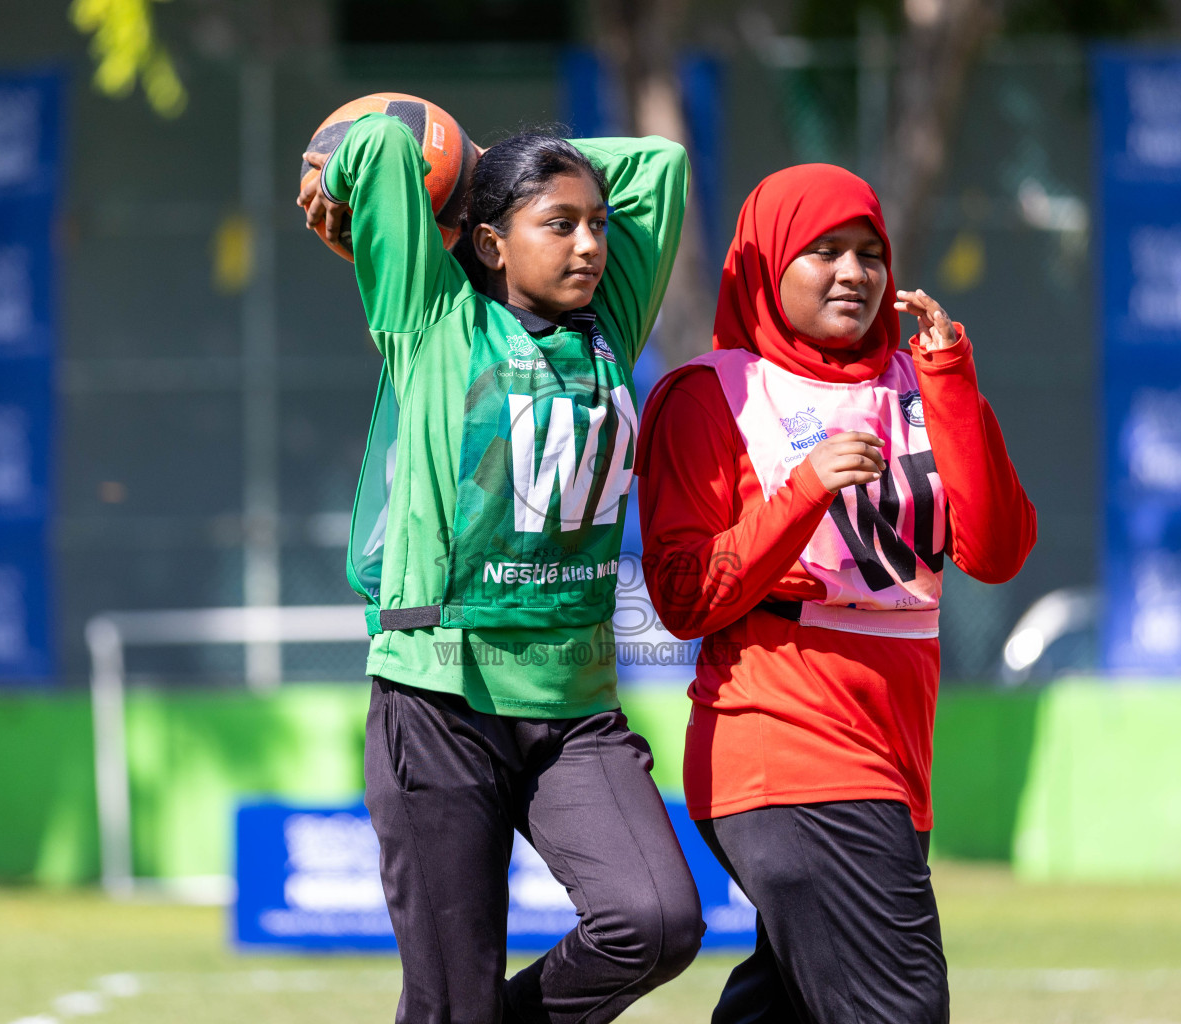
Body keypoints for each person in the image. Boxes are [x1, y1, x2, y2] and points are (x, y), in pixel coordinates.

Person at [299, 113, 702, 1024]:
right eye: (557, 224)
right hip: (439, 699)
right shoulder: (432, 319)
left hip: (573, 704)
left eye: (597, 224)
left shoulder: (615, 323)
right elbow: (383, 148)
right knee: (450, 999)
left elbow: (661, 164)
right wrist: (466, 168)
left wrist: (507, 168)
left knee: (657, 920)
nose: (590, 243)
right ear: (490, 240)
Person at [634, 164, 1038, 1023]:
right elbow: (680, 596)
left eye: (869, 252)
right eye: (823, 251)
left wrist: (953, 385)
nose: (854, 272)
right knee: (900, 1010)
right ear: (767, 262)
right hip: (785, 747)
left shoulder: (918, 381)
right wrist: (803, 490)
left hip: (895, 754)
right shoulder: (711, 395)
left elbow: (996, 552)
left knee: (783, 1008)